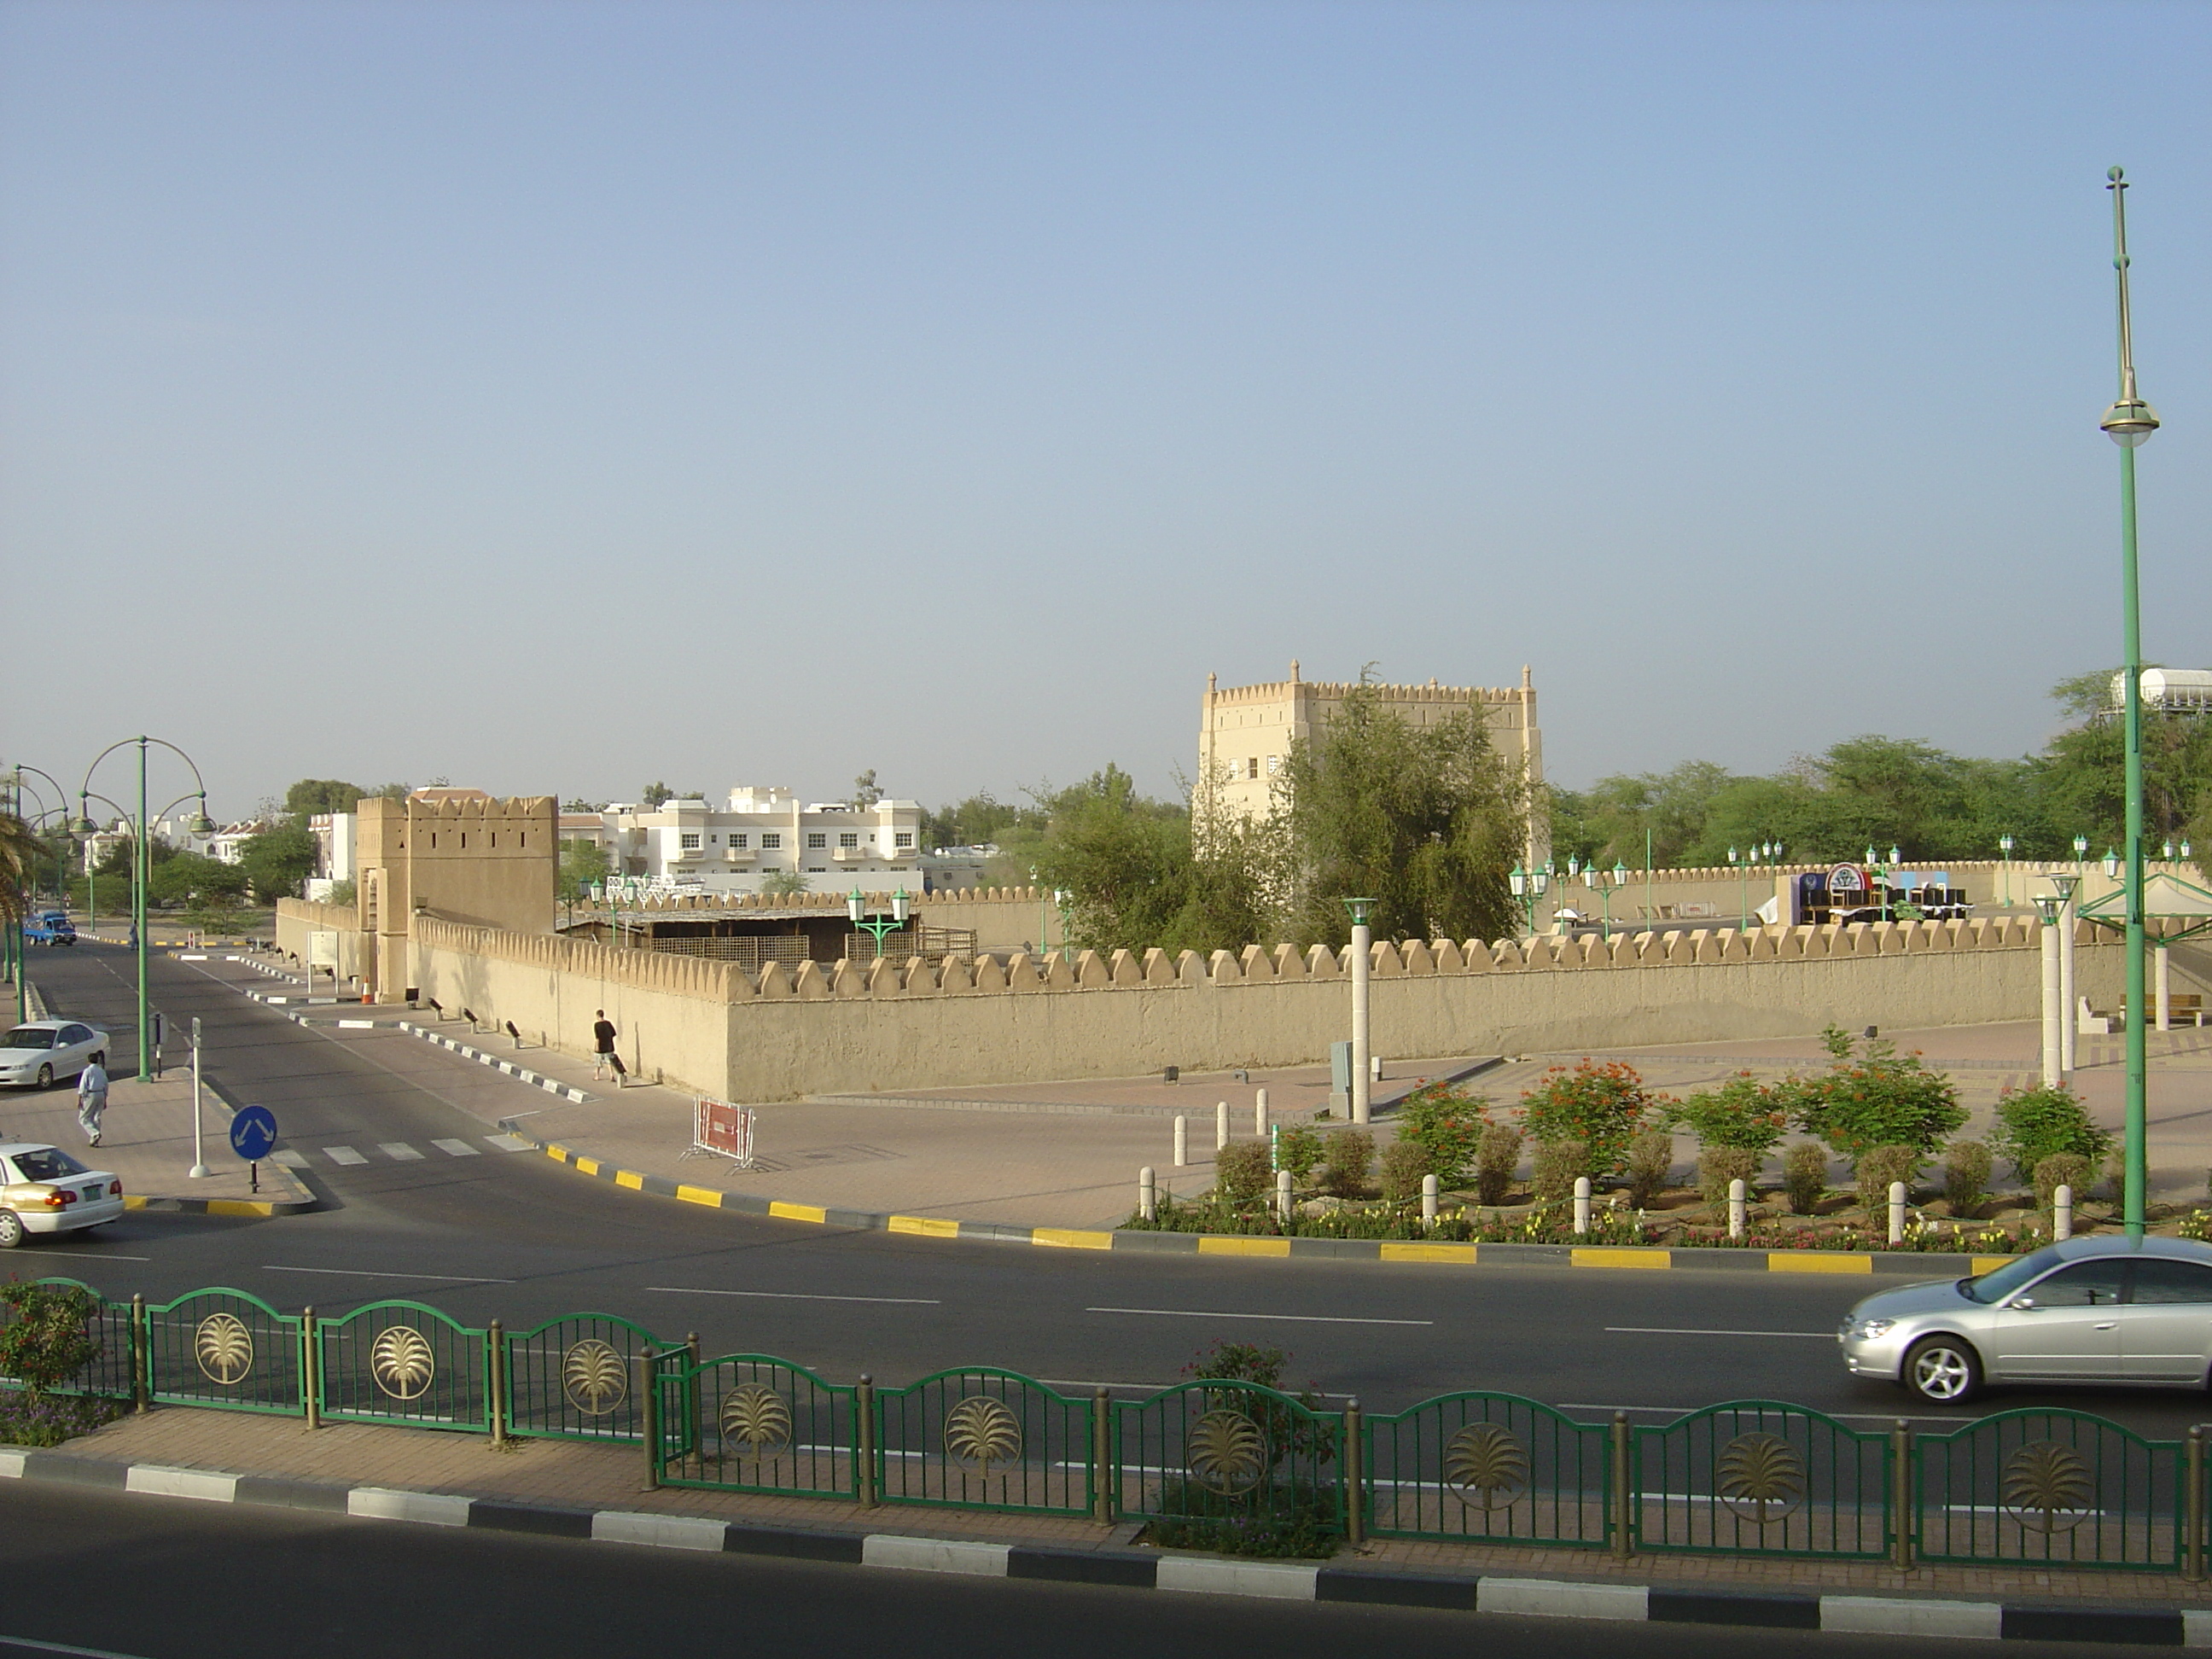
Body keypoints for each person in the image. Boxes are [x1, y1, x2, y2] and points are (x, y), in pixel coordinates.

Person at [77, 1059, 109, 1147]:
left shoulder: (88, 1071)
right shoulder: (101, 1071)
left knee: (83, 1118)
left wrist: (80, 1099)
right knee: (96, 1117)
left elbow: (83, 1085)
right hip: (101, 1094)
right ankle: (94, 1141)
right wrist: (105, 1097)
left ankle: (94, 1133)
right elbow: (106, 1084)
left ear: (88, 1061)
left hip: (91, 1094)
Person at [592, 1010, 618, 1080]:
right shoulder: (608, 1023)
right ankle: (611, 1075)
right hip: (609, 1046)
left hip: (601, 1046)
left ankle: (597, 1076)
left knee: (598, 1062)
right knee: (609, 1062)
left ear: (597, 1016)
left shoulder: (596, 1025)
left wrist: (596, 1046)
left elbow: (597, 1037)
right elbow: (613, 1033)